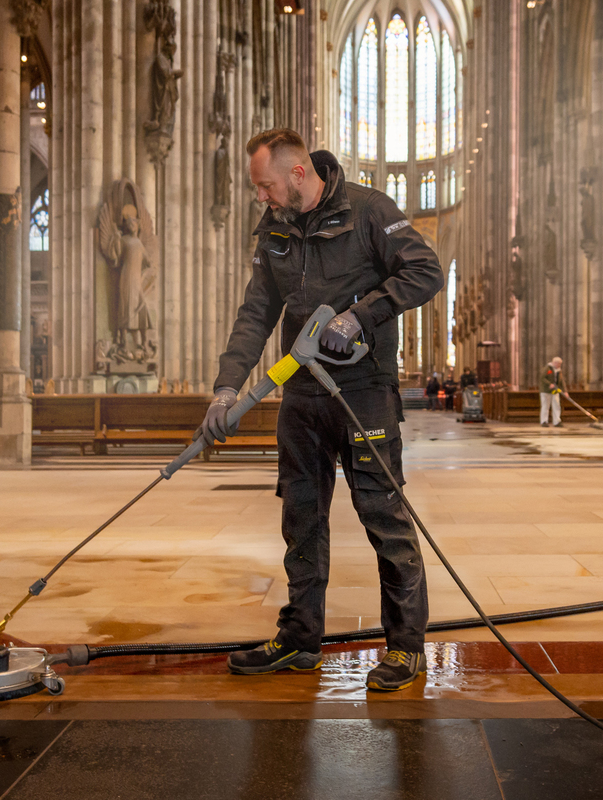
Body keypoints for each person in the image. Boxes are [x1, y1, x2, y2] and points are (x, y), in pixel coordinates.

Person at [201, 128, 444, 692]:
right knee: (301, 521)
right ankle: (300, 638)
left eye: (265, 186)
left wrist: (361, 315)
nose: (261, 197)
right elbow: (256, 312)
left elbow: (425, 271)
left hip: (363, 392)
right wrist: (226, 388)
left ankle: (406, 647)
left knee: (383, 516)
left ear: (297, 174)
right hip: (303, 394)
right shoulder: (276, 229)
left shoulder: (368, 211)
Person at [540, 356, 566, 427]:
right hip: (546, 390)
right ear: (554, 363)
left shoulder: (558, 370)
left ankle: (557, 421)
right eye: (559, 364)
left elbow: (561, 381)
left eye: (560, 364)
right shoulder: (547, 368)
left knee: (556, 405)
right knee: (545, 406)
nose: (559, 365)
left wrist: (565, 391)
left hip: (555, 390)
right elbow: (542, 378)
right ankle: (544, 421)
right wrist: (549, 384)